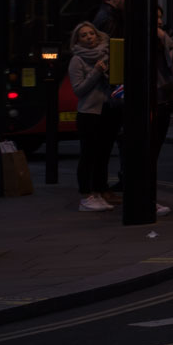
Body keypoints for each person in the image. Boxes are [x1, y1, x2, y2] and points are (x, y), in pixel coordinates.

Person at [68, 21, 117, 211]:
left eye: (91, 33)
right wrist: (96, 72)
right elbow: (79, 90)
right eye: (84, 35)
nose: (89, 37)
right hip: (89, 113)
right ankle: (86, 195)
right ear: (77, 40)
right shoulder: (77, 60)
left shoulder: (107, 54)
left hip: (108, 109)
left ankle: (99, 191)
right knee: (88, 153)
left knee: (103, 153)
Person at [151, 7, 173, 172]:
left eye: (160, 17)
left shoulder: (163, 38)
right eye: (155, 17)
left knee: (157, 142)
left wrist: (165, 39)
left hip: (163, 97)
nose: (159, 21)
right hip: (151, 96)